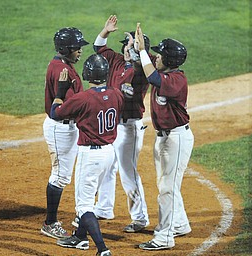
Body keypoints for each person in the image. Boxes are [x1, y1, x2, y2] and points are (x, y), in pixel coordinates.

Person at [53, 54, 125, 256]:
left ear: (87, 74)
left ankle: (102, 249)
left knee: (83, 205)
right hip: (109, 153)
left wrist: (60, 91)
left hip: (90, 155)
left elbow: (56, 112)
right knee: (90, 196)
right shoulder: (117, 94)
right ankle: (79, 237)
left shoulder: (82, 98)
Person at [135, 24, 194, 250]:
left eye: (159, 54)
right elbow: (147, 61)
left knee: (168, 188)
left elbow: (152, 76)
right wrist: (137, 46)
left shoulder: (176, 80)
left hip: (176, 139)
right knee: (166, 185)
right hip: (164, 138)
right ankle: (179, 224)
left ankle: (164, 237)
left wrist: (142, 52)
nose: (155, 57)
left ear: (168, 60)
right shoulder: (165, 70)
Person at [92, 15, 153, 233]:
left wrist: (140, 49)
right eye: (125, 46)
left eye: (129, 46)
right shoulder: (117, 60)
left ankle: (140, 218)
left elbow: (149, 61)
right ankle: (104, 208)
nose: (125, 49)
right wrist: (105, 31)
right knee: (107, 167)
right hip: (112, 125)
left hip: (129, 127)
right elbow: (98, 47)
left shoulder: (144, 70)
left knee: (128, 173)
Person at [40, 27, 89, 239]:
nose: (80, 51)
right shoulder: (63, 70)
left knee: (65, 174)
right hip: (61, 127)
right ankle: (50, 223)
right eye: (77, 48)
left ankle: (78, 215)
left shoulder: (60, 65)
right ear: (66, 48)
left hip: (66, 127)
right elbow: (67, 106)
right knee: (60, 176)